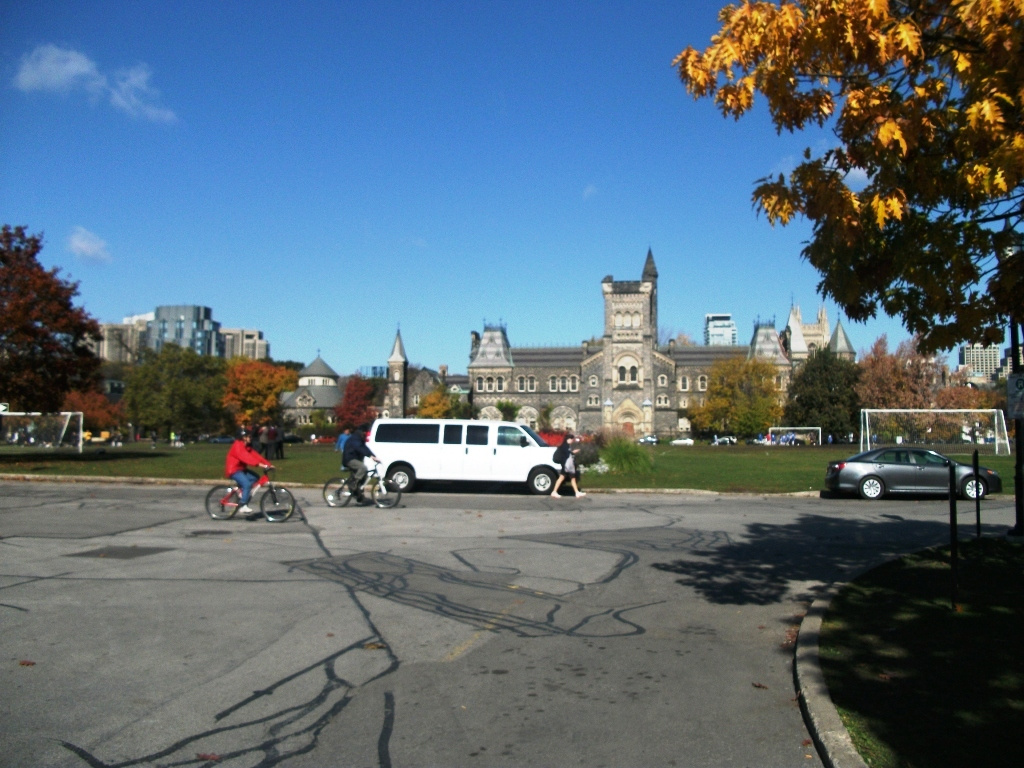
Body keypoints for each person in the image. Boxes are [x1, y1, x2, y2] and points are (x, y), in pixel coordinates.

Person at [224, 428, 273, 516]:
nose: (250, 438)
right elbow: (247, 458)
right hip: (233, 470)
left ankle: (242, 493)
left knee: (255, 477)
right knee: (246, 484)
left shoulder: (246, 446)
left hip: (241, 469)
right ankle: (243, 505)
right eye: (248, 436)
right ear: (243, 437)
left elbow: (255, 455)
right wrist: (261, 465)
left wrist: (268, 464)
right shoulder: (238, 446)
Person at [342, 425, 380, 501]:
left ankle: (358, 494)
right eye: (366, 432)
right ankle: (353, 484)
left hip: (354, 458)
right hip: (349, 459)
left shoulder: (359, 438)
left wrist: (373, 456)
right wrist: (370, 456)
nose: (366, 434)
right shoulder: (355, 438)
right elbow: (359, 448)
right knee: (363, 468)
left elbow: (365, 448)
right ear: (362, 432)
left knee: (363, 476)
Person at [551, 433, 585, 499]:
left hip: (566, 465)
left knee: (572, 478)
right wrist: (573, 452)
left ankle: (577, 492)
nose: (572, 441)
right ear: (568, 439)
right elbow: (566, 455)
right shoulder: (565, 446)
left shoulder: (565, 445)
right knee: (563, 478)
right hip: (566, 465)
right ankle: (554, 492)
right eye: (571, 439)